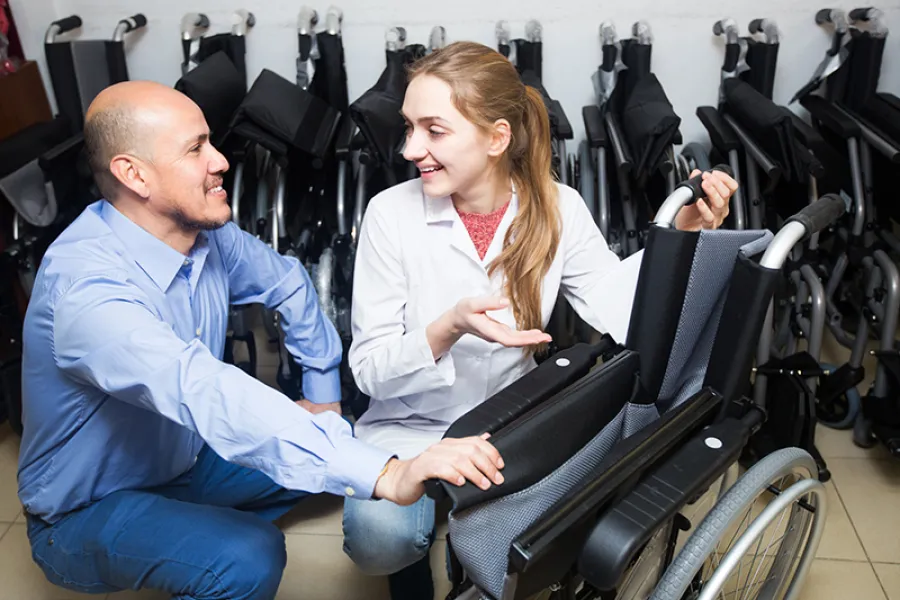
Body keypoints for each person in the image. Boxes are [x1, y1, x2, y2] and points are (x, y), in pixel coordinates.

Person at [16, 80, 508, 600]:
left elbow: (288, 283)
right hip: (87, 506)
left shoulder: (204, 235)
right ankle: (198, 537)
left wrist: (321, 395)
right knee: (249, 554)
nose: (220, 161)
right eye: (195, 149)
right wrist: (387, 475)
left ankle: (190, 523)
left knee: (340, 435)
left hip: (184, 459)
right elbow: (203, 389)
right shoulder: (86, 292)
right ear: (133, 174)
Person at [341, 41, 738, 599]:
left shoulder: (557, 206)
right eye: (409, 128)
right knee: (381, 539)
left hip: (511, 421)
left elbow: (621, 308)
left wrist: (682, 233)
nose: (410, 149)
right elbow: (369, 372)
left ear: (497, 137)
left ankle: (470, 545)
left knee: (540, 543)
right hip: (410, 425)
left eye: (434, 130)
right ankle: (412, 563)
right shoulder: (390, 214)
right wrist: (447, 327)